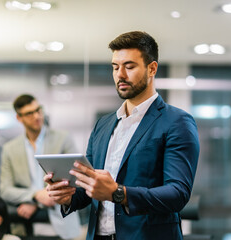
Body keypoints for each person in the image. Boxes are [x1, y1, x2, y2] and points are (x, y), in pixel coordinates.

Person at [44, 31, 200, 240]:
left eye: (129, 66)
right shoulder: (104, 125)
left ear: (152, 68)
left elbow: (177, 193)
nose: (120, 75)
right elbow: (91, 190)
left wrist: (119, 193)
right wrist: (67, 195)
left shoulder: (176, 122)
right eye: (115, 67)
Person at [0, 94, 81, 239]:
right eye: (29, 113)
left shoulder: (63, 139)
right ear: (19, 118)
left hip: (61, 226)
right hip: (24, 227)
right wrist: (35, 196)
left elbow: (76, 180)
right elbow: (5, 190)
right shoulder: (9, 149)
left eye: (38, 110)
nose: (37, 116)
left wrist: (37, 203)